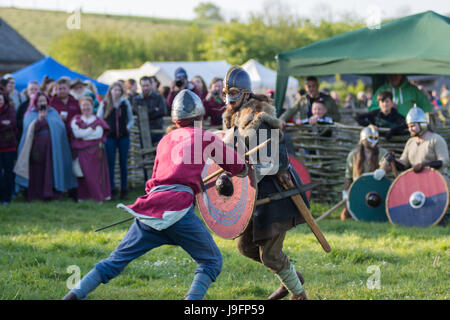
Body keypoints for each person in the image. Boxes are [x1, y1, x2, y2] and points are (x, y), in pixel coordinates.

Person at [62, 89, 247, 300]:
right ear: (201, 116)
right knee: (211, 261)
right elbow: (236, 166)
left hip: (151, 210)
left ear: (176, 118)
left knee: (115, 260)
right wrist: (244, 170)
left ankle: (76, 292)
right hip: (178, 211)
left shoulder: (165, 141)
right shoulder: (205, 136)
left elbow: (154, 181)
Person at [222, 66, 309, 300]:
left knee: (270, 256)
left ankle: (299, 295)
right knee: (246, 247)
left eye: (235, 95)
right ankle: (290, 276)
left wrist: (247, 174)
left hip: (277, 193)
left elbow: (277, 161)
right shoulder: (232, 121)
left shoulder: (261, 120)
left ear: (246, 95)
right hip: (254, 195)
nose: (230, 101)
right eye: (227, 95)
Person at [14, 92, 77, 202]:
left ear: (47, 102)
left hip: (52, 149)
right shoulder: (30, 113)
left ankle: (51, 193)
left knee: (51, 170)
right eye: (39, 101)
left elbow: (60, 128)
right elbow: (28, 131)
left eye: (44, 101)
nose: (42, 103)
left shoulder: (53, 113)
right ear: (35, 102)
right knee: (37, 172)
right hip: (36, 149)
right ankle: (35, 195)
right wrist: (39, 120)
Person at [378, 105, 449, 178]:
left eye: (413, 126)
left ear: (423, 125)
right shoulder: (411, 142)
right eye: (409, 127)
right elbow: (404, 163)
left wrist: (425, 165)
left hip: (437, 181)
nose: (410, 129)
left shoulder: (436, 139)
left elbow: (444, 162)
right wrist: (394, 161)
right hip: (417, 181)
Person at [341, 125, 389, 220]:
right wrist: (346, 194)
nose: (373, 141)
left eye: (376, 138)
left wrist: (382, 169)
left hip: (377, 192)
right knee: (345, 216)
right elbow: (348, 177)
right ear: (363, 139)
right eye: (370, 138)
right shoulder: (353, 155)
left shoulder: (382, 153)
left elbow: (386, 161)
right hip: (359, 191)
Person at [97, 82, 134, 200]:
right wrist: (105, 130)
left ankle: (124, 190)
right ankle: (111, 190)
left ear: (121, 92)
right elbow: (99, 119)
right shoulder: (105, 104)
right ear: (111, 91)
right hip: (110, 138)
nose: (116, 92)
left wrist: (126, 128)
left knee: (123, 163)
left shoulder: (125, 103)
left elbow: (131, 119)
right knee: (110, 164)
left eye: (119, 90)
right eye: (114, 90)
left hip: (123, 137)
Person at [71, 97, 111, 203]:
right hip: (81, 152)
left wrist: (84, 133)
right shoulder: (76, 119)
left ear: (92, 106)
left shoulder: (97, 120)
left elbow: (98, 134)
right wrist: (90, 129)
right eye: (83, 105)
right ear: (80, 106)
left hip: (95, 151)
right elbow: (77, 134)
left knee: (95, 175)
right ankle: (83, 197)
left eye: (88, 105)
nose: (86, 107)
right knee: (82, 175)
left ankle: (98, 198)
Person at [132, 76, 167, 144]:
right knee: (145, 152)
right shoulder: (136, 99)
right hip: (143, 130)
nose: (145, 88)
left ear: (151, 85)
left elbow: (163, 111)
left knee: (158, 151)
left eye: (147, 85)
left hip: (157, 128)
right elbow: (137, 113)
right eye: (143, 86)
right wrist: (154, 110)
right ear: (140, 86)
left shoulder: (158, 97)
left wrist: (145, 113)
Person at [0, 91, 17, 205]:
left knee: (9, 173)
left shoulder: (9, 110)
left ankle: (7, 197)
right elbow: (5, 125)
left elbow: (12, 124)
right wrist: (3, 124)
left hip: (9, 147)